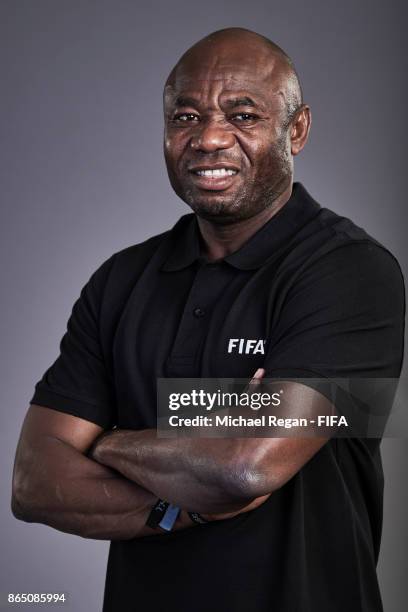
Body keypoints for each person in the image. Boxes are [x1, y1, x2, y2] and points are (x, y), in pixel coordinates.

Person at [11, 27, 405, 612]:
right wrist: (184, 500)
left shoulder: (354, 272)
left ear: (295, 130)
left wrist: (104, 443)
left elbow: (246, 469)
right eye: (185, 117)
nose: (209, 138)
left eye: (243, 115)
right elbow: (33, 483)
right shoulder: (121, 280)